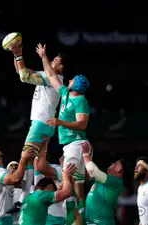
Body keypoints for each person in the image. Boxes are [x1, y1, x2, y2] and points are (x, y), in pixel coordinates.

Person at [8, 41, 66, 213]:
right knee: (36, 162)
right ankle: (28, 195)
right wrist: (16, 54)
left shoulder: (55, 79)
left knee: (24, 157)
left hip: (40, 123)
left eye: (56, 61)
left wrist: (20, 55)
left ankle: (21, 198)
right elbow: (22, 72)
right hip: (45, 124)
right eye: (53, 59)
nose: (53, 62)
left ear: (61, 68)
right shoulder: (47, 76)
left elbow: (25, 76)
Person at [36, 43, 90, 224]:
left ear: (78, 85)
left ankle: (74, 221)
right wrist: (43, 56)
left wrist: (60, 122)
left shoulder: (80, 100)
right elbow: (51, 75)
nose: (69, 80)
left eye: (73, 80)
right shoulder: (66, 95)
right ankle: (78, 219)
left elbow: (82, 124)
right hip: (71, 146)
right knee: (77, 188)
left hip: (75, 143)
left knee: (72, 188)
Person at [81, 142, 132, 225]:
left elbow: (93, 172)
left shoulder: (116, 182)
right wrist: (88, 156)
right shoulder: (101, 181)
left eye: (115, 163)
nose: (112, 164)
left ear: (118, 168)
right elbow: (88, 173)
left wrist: (85, 155)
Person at [0, 146, 35, 225]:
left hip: (7, 219)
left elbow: (25, 184)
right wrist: (23, 159)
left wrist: (29, 164)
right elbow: (16, 179)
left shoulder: (2, 172)